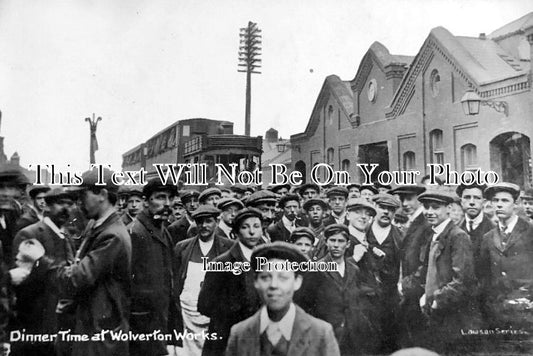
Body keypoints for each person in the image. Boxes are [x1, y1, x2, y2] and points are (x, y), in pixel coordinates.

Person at [18, 168, 132, 356]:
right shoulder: (101, 228)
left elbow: (76, 279)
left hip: (100, 339)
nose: (79, 202)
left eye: (83, 195)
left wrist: (40, 258)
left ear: (102, 194)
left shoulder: (112, 236)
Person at [226, 241, 340, 356]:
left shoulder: (321, 333)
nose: (274, 285)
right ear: (256, 281)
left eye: (283, 278)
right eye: (265, 277)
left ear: (297, 282)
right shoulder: (239, 333)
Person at [9, 187, 76, 356]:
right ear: (47, 206)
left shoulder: (66, 235)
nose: (66, 208)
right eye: (60, 203)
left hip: (62, 321)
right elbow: (21, 281)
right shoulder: (30, 234)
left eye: (70, 203)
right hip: (36, 321)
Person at [416, 190, 480, 354]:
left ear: (449, 208)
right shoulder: (435, 234)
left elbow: (462, 280)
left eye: (435, 207)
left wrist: (437, 300)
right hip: (437, 312)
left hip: (453, 315)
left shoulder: (457, 236)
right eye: (426, 207)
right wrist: (426, 296)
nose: (429, 212)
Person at [198, 208, 263, 356]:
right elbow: (204, 305)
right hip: (227, 338)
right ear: (236, 232)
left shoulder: (265, 261)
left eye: (256, 226)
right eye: (245, 227)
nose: (252, 232)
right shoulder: (222, 262)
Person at [305, 224, 376, 355]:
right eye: (332, 240)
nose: (336, 245)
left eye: (341, 241)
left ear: (348, 244)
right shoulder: (317, 269)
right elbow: (309, 304)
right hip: (328, 331)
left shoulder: (353, 269)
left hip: (352, 333)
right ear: (326, 242)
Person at [479, 183, 533, 353]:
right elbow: (483, 275)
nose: (499, 205)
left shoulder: (530, 231)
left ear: (515, 204)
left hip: (527, 312)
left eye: (505, 200)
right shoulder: (488, 237)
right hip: (497, 313)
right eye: (495, 201)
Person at [128, 178, 179, 356]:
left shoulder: (163, 231)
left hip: (158, 322)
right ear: (146, 201)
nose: (167, 204)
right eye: (160, 197)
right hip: (140, 326)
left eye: (170, 198)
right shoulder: (135, 233)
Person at [175, 205, 233, 356]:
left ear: (216, 221)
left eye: (209, 221)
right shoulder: (183, 247)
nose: (204, 226)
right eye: (200, 222)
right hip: (187, 313)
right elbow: (175, 280)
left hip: (215, 312)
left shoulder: (228, 247)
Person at [389, 185, 431, 348]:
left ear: (420, 200)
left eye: (409, 198)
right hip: (410, 291)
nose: (404, 203)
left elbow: (426, 263)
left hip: (417, 291)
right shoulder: (414, 222)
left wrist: (405, 286)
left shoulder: (425, 224)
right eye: (402, 199)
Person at [367, 193, 403, 353]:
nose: (386, 212)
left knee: (390, 338)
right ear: (375, 208)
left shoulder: (400, 236)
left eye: (390, 209)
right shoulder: (363, 233)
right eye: (382, 207)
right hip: (366, 296)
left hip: (390, 296)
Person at [456, 183, 494, 281]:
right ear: (461, 201)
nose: (472, 202)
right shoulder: (455, 230)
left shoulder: (494, 230)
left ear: (484, 202)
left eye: (477, 198)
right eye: (467, 197)